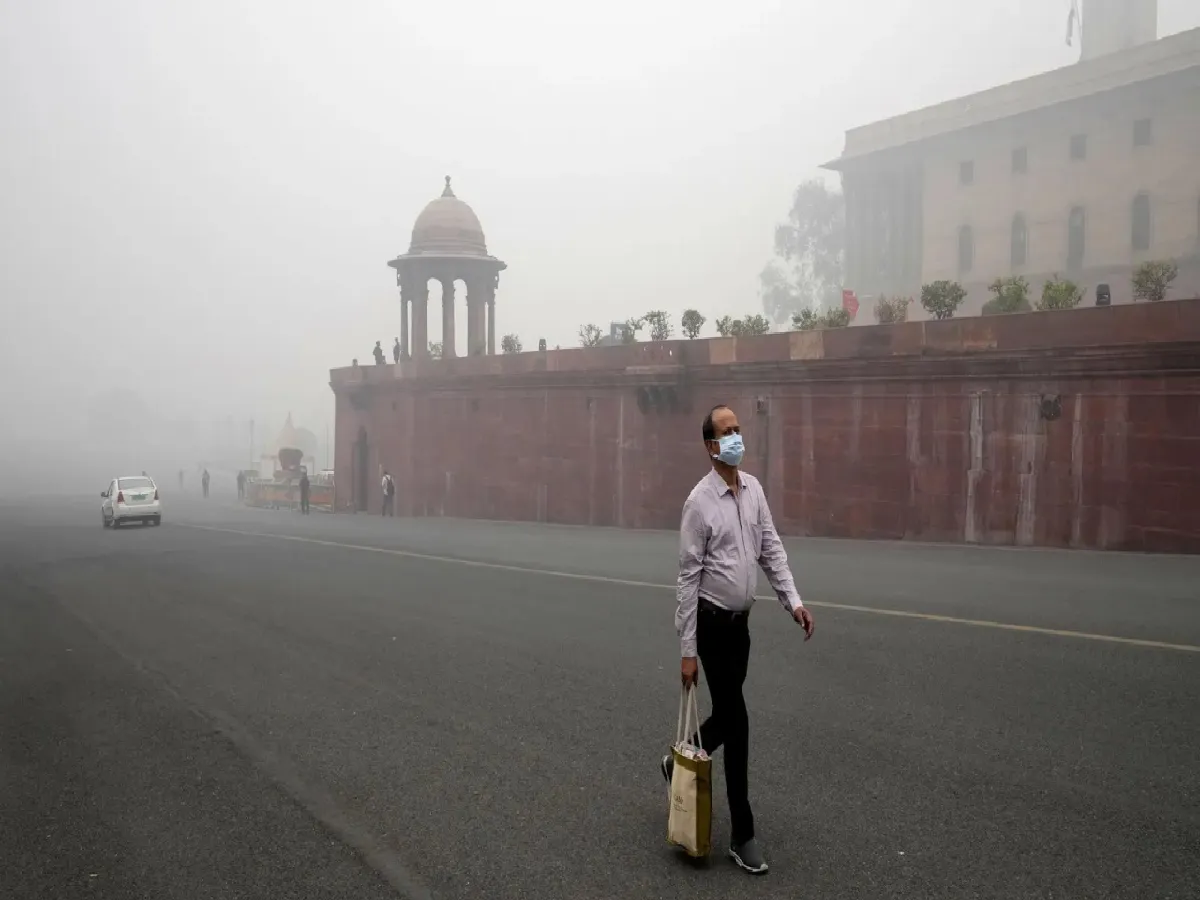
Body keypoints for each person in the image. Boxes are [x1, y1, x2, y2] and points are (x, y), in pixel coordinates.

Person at [662, 404, 815, 876]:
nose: (736, 438)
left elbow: (771, 549)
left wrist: (793, 601)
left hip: (740, 630)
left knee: (728, 716)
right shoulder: (698, 503)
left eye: (738, 429)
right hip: (709, 625)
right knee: (739, 721)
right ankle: (742, 833)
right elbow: (688, 580)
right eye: (727, 432)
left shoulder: (753, 492)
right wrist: (687, 652)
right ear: (710, 446)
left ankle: (680, 759)